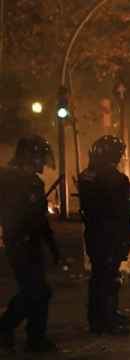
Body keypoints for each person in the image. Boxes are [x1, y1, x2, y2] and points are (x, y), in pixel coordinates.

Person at [0, 135, 59, 353]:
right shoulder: (10, 179)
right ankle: (10, 329)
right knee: (36, 291)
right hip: (20, 244)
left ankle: (35, 338)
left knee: (38, 291)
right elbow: (11, 214)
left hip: (31, 242)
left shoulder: (31, 181)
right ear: (29, 156)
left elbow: (40, 219)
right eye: (40, 157)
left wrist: (51, 246)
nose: (42, 162)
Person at [77, 135, 130, 336]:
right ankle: (107, 320)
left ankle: (98, 318)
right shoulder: (115, 178)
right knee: (109, 278)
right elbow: (125, 208)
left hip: (94, 233)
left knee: (98, 276)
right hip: (111, 234)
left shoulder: (86, 175)